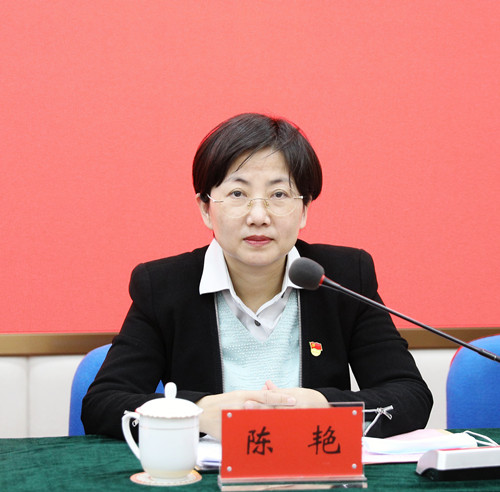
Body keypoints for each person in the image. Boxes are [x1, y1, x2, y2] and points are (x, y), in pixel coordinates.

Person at [82, 113, 433, 440]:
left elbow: (410, 397)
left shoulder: (343, 277)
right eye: (238, 194)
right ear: (205, 208)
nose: (259, 216)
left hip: (316, 470)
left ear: (304, 209)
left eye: (279, 194)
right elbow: (102, 404)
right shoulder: (163, 286)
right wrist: (197, 413)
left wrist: (327, 408)